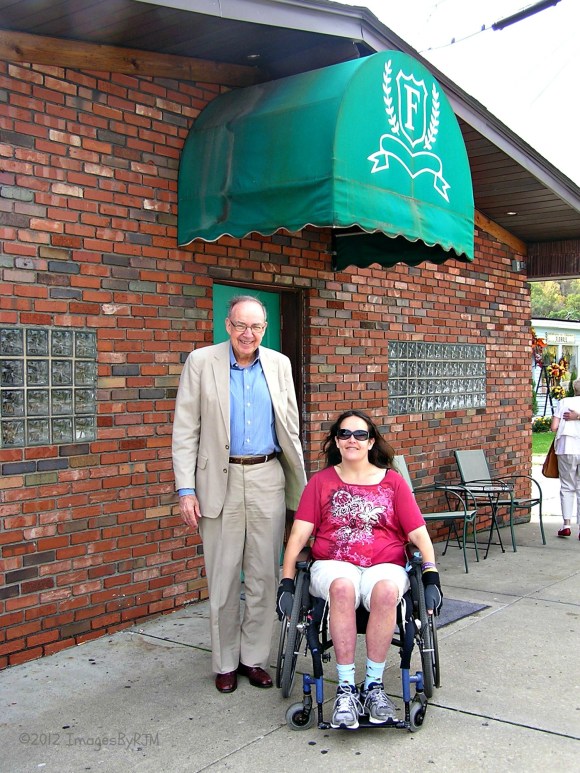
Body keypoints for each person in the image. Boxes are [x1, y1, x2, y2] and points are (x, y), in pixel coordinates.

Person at [172, 295, 306, 693]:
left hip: (267, 476)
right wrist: (186, 490)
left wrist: (301, 490)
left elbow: (290, 427)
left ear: (264, 329)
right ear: (227, 325)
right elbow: (185, 431)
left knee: (265, 575)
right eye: (241, 326)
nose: (248, 334)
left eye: (256, 327)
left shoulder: (279, 365)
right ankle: (226, 662)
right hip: (220, 483)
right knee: (225, 576)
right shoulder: (201, 362)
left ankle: (254, 659)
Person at [277, 409, 442, 730]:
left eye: (360, 434)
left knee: (387, 591)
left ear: (371, 442)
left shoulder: (393, 483)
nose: (352, 440)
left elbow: (418, 534)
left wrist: (431, 573)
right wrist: (286, 581)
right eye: (344, 434)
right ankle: (346, 689)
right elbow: (298, 535)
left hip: (386, 564)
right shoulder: (320, 482)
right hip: (333, 563)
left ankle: (374, 687)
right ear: (336, 441)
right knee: (342, 587)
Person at [551, 377, 580, 539]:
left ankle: (566, 525)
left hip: (566, 448)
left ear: (574, 389)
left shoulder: (564, 402)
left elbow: (554, 427)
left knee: (567, 486)